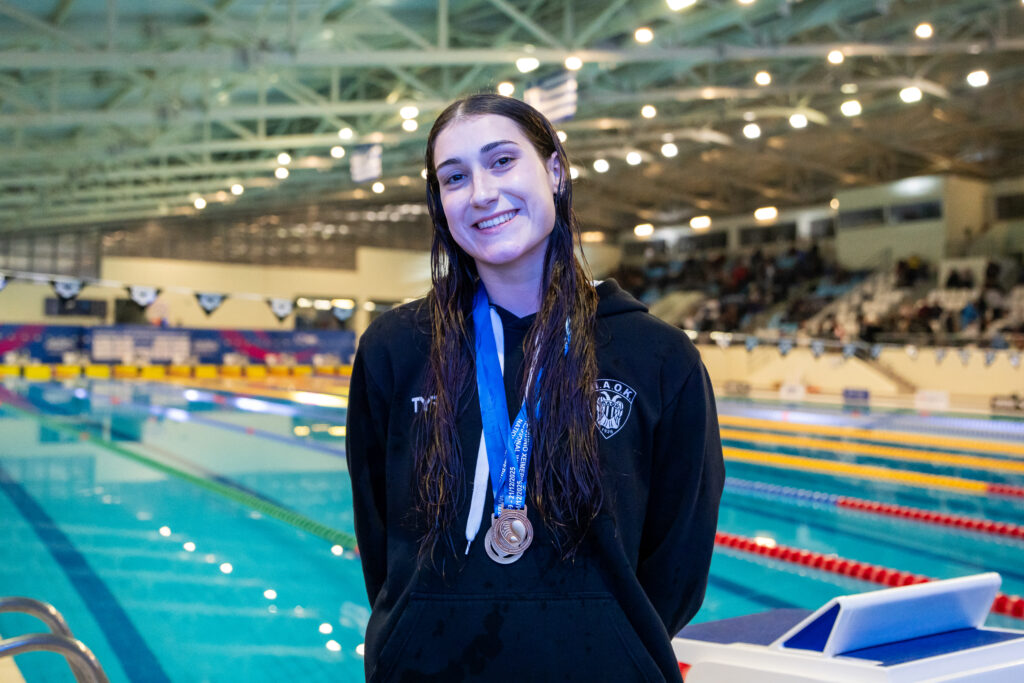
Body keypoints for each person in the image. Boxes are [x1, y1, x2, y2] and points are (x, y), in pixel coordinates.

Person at [345, 93, 724, 682]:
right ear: (439, 203)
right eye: (454, 177)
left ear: (555, 172)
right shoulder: (395, 349)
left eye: (502, 161)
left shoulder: (657, 356)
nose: (481, 193)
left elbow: (677, 562)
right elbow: (380, 541)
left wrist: (606, 636)